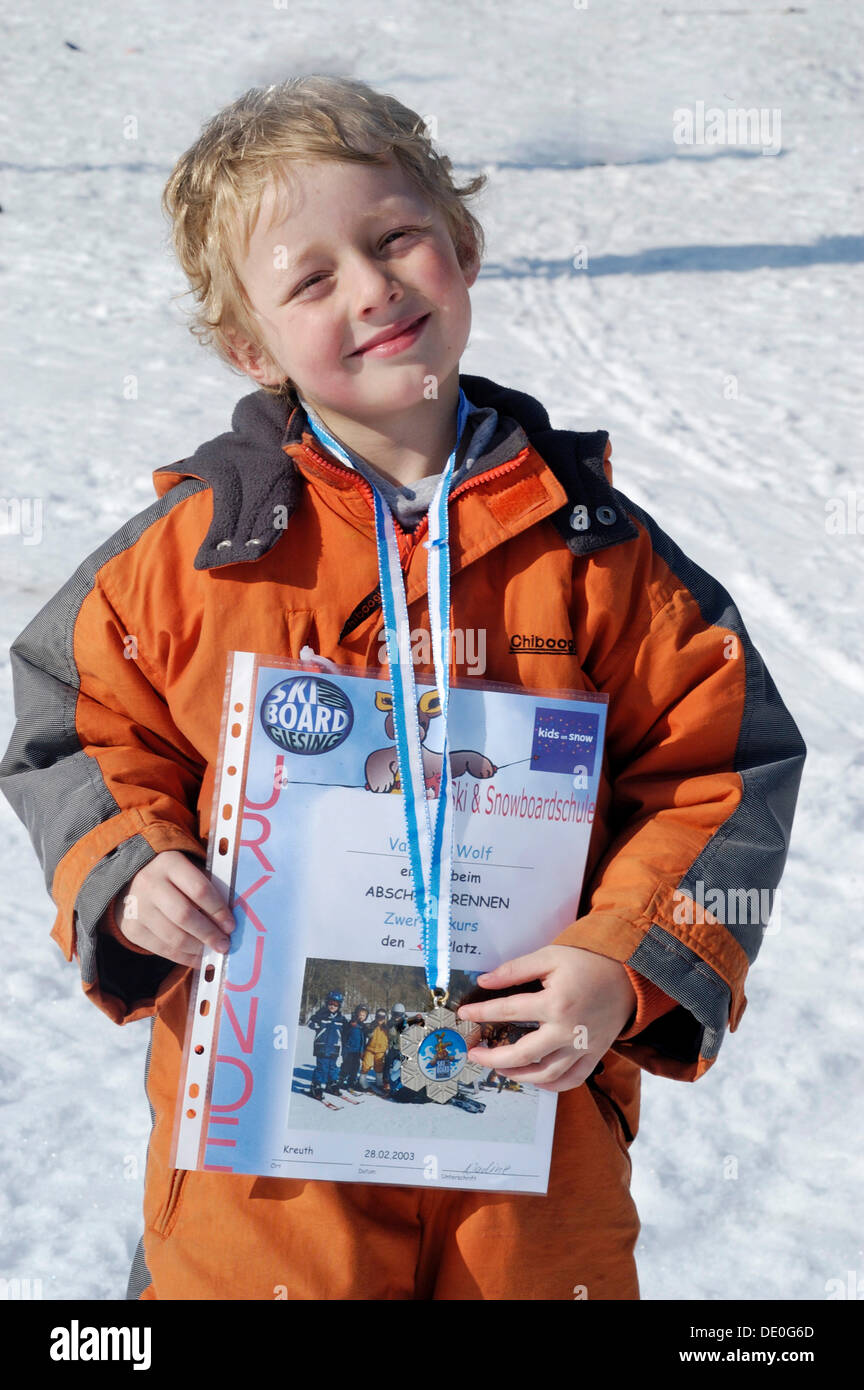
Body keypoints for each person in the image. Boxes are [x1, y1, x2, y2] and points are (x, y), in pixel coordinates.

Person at [0, 75, 806, 1301]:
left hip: (528, 1161)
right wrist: (125, 866)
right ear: (250, 343)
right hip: (264, 1181)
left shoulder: (596, 553)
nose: (371, 289)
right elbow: (71, 723)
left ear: (462, 247)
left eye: (394, 241)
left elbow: (719, 771)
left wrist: (624, 960)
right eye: (310, 280)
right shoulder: (195, 552)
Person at [306, 990, 347, 1100]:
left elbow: (347, 1031)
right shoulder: (321, 1014)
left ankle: (331, 1083)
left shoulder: (341, 1018)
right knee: (322, 1067)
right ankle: (316, 1085)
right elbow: (310, 1023)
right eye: (331, 1003)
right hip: (322, 1046)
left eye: (336, 1004)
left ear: (339, 1005)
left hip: (334, 1047)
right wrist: (316, 1024)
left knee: (333, 1067)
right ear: (327, 1003)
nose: (333, 1006)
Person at [339, 1004, 369, 1093]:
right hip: (349, 1050)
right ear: (356, 1014)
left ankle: (352, 1081)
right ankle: (341, 1080)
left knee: (355, 1067)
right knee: (346, 1065)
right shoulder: (352, 1023)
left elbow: (364, 1039)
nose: (361, 1017)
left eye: (364, 1016)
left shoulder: (363, 1026)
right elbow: (344, 1034)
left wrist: (362, 1050)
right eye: (360, 1015)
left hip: (358, 1051)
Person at [360, 1010, 389, 1090]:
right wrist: (368, 1030)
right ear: (376, 1017)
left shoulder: (387, 1027)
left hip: (381, 1051)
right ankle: (362, 1081)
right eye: (378, 1017)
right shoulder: (371, 1025)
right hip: (370, 1049)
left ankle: (379, 1082)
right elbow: (365, 1030)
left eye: (382, 1018)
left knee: (379, 1066)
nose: (380, 1019)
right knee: (366, 1065)